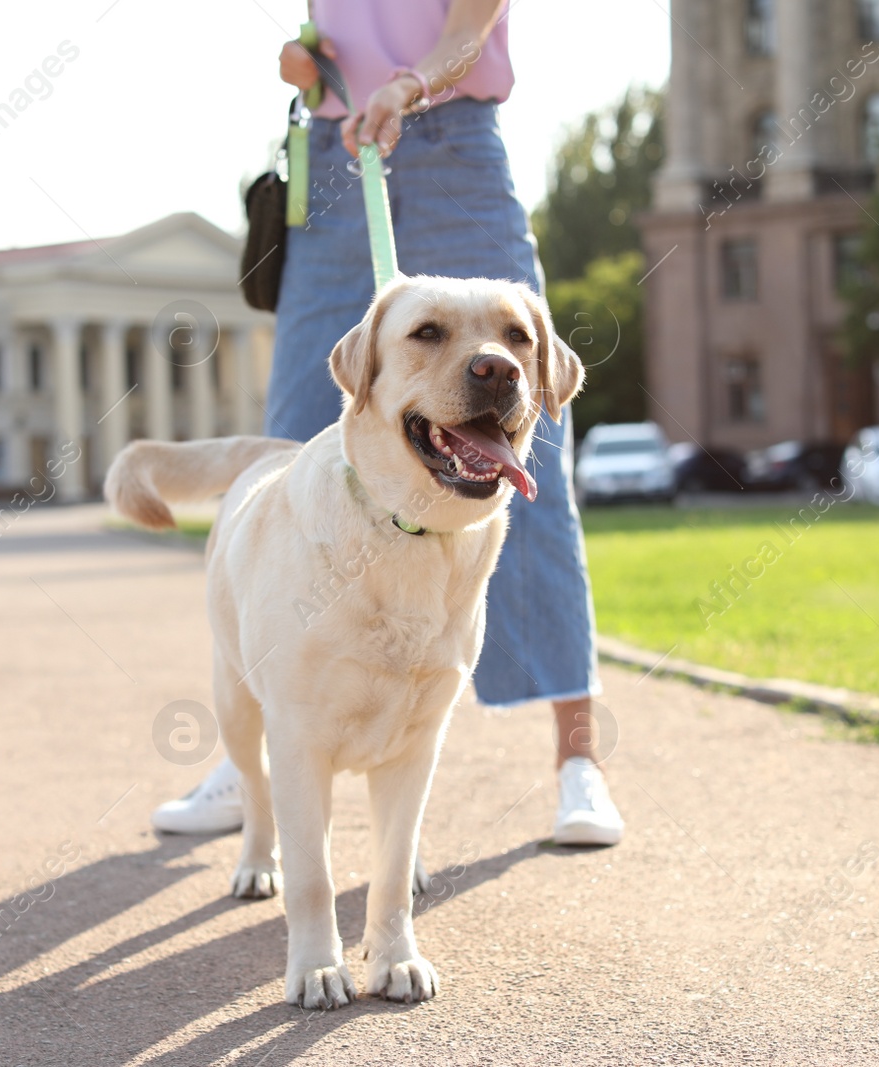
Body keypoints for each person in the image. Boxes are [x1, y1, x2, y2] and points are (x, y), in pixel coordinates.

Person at [153, 0, 623, 847]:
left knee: (528, 463)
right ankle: (254, 748)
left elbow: (469, 29)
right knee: (296, 443)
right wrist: (309, 63)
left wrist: (408, 84)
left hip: (455, 149)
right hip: (336, 160)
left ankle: (578, 760)